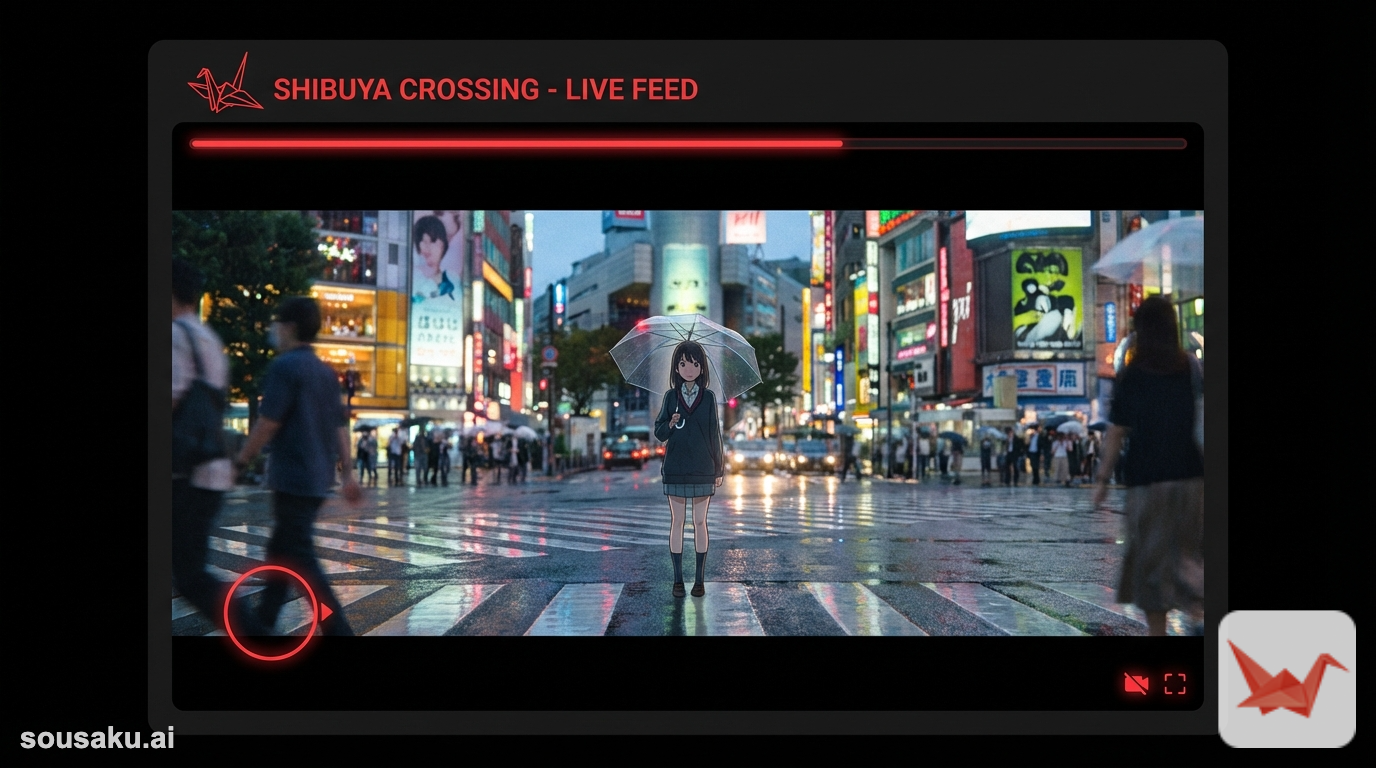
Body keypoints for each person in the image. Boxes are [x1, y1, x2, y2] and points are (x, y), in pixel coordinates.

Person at [232, 296, 362, 636]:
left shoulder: (285, 367)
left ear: (288, 326)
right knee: (280, 552)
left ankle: (339, 631)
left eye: (277, 323)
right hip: (318, 480)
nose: (274, 330)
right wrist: (348, 474)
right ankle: (263, 625)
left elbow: (268, 422)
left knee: (302, 560)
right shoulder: (325, 373)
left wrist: (241, 459)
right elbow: (339, 429)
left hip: (292, 477)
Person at [1093, 296, 1205, 637]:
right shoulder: (1192, 367)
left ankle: (1158, 636)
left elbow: (1116, 432)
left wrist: (1101, 480)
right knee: (1190, 557)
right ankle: (1203, 618)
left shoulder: (1133, 373)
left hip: (1147, 481)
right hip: (1191, 478)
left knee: (1152, 564)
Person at [171, 259, 234, 630]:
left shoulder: (176, 335)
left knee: (192, 575)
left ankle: (257, 635)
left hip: (186, 471)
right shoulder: (209, 337)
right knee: (191, 569)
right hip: (211, 467)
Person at [653, 340, 725, 599]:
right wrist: (670, 424)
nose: (689, 369)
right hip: (675, 467)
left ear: (702, 367)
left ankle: (699, 580)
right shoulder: (670, 397)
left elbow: (714, 434)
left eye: (694, 363)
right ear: (676, 367)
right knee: (677, 522)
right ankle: (677, 580)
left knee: (700, 522)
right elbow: (659, 433)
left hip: (703, 467)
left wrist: (719, 468)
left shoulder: (709, 398)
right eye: (683, 363)